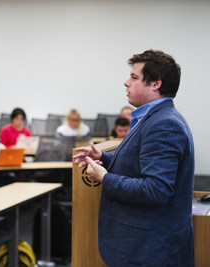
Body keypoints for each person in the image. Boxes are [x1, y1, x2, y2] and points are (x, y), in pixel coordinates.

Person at [74, 50, 194, 266]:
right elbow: (141, 167)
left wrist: (105, 178)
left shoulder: (163, 124)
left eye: (134, 77)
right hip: (144, 247)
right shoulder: (155, 118)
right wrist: (104, 158)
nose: (126, 83)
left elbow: (156, 189)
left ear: (156, 83)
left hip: (150, 251)